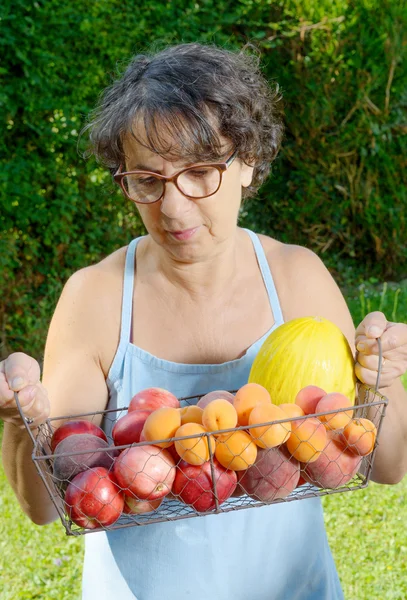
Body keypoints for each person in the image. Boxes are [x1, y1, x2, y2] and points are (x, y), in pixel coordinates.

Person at [1, 43, 407, 600]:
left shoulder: (297, 279)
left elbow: (384, 466)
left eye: (200, 172)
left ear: (247, 163)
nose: (174, 206)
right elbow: (45, 507)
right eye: (147, 179)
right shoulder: (94, 298)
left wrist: (383, 377)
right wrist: (23, 420)